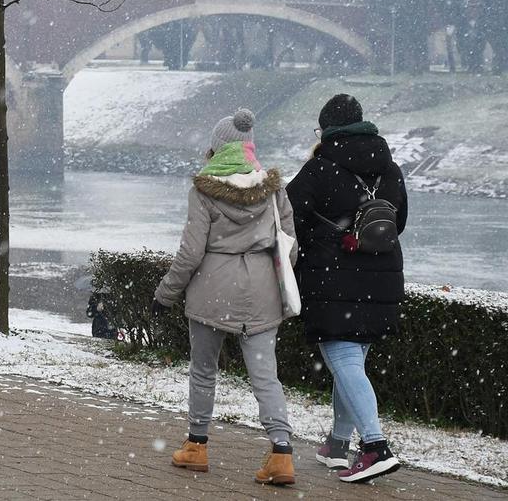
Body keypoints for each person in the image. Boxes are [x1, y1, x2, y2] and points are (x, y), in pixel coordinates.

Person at [153, 108, 298, 486]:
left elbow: (190, 254)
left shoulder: (203, 191)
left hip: (211, 293)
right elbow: (290, 245)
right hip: (263, 293)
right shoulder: (273, 188)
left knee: (204, 370)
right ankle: (281, 453)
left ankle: (196, 446)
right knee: (266, 375)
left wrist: (165, 294)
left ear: (216, 150)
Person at [286, 94, 405, 483]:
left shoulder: (319, 169)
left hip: (333, 280)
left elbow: (288, 218)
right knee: (351, 364)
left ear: (328, 130)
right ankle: (337, 445)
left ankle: (375, 447)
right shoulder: (391, 169)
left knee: (345, 362)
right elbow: (397, 221)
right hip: (382, 279)